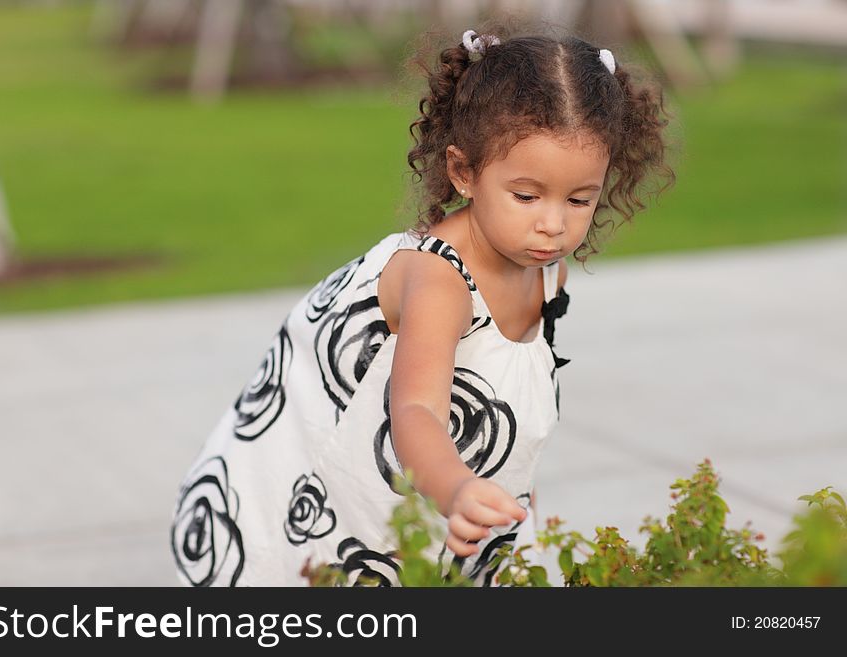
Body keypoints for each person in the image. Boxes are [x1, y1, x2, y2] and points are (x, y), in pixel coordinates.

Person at [170, 19, 676, 587]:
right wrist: (458, 488)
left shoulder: (543, 270)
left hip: (441, 494)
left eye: (580, 199)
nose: (553, 224)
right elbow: (416, 412)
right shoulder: (439, 281)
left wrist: (506, 495)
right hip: (346, 496)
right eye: (527, 195)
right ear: (464, 172)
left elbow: (506, 395)